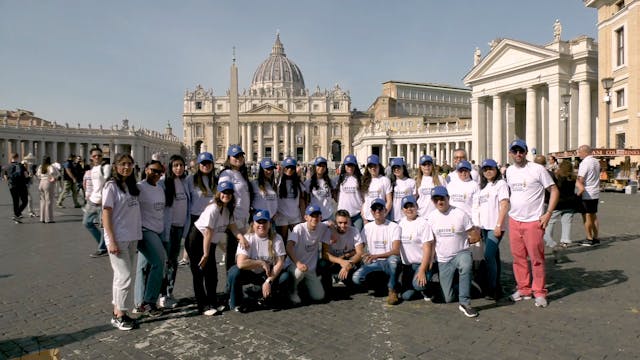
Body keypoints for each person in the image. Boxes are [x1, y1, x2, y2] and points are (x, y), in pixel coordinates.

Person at [505, 139, 558, 308]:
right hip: (514, 220)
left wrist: (548, 213)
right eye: (515, 151)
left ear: (526, 152)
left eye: (521, 151)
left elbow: (554, 190)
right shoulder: (509, 171)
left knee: (537, 259)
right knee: (518, 258)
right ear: (511, 153)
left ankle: (540, 291)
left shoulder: (538, 169)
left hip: (533, 221)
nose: (518, 154)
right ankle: (523, 288)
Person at [192, 181, 248, 315]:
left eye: (229, 192)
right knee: (200, 272)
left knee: (212, 274)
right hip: (197, 239)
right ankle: (203, 306)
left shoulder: (227, 209)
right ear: (219, 193)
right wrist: (206, 254)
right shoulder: (214, 209)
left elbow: (233, 226)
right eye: (224, 192)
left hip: (208, 242)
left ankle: (212, 302)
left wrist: (241, 237)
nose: (226, 195)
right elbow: (208, 232)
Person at [102, 153, 142, 331]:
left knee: (122, 276)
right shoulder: (111, 186)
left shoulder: (130, 186)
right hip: (118, 238)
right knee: (124, 277)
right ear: (116, 166)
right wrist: (111, 240)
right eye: (123, 164)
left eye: (129, 164)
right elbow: (106, 215)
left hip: (131, 236)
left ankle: (117, 311)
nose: (126, 167)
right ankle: (120, 315)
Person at [427, 186, 480, 318]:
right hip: (443, 259)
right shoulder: (431, 217)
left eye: (442, 198)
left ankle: (465, 303)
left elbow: (474, 234)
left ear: (448, 198)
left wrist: (468, 241)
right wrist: (430, 259)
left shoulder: (460, 214)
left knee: (466, 264)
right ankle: (465, 284)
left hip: (460, 253)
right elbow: (431, 241)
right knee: (448, 298)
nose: (440, 202)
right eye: (436, 199)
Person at [227, 210, 288, 312]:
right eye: (258, 222)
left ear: (269, 223)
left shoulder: (277, 238)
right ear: (253, 224)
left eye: (264, 222)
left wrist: (268, 281)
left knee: (285, 276)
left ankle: (271, 298)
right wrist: (261, 263)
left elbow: (280, 263)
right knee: (234, 272)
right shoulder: (248, 238)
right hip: (250, 273)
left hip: (267, 274)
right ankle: (235, 302)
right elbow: (241, 263)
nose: (261, 225)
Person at [132, 161, 167, 317]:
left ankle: (139, 303)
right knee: (159, 263)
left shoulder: (159, 188)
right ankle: (150, 301)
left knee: (142, 266)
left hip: (157, 230)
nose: (157, 174)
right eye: (153, 171)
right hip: (145, 231)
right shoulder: (139, 187)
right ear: (146, 170)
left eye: (160, 172)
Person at [352, 198, 402, 305]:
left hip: (388, 262)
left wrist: (376, 255)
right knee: (356, 278)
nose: (377, 211)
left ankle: (392, 290)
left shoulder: (394, 226)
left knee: (393, 260)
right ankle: (385, 284)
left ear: (385, 210)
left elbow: (396, 251)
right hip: (375, 263)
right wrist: (359, 256)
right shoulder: (367, 228)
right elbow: (360, 248)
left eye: (380, 208)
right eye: (374, 209)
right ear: (371, 212)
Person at [158, 155, 190, 309]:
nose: (179, 168)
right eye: (175, 165)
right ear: (170, 167)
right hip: (168, 228)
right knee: (166, 262)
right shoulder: (164, 183)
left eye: (181, 165)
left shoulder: (185, 182)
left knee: (173, 262)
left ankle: (169, 292)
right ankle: (162, 294)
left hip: (179, 227)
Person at [475, 159, 510, 300]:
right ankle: (497, 286)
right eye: (485, 169)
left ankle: (492, 288)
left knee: (489, 256)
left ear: (496, 170)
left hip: (494, 227)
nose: (488, 171)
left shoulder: (501, 184)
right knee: (494, 256)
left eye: (491, 168)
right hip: (484, 226)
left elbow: (504, 204)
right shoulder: (483, 187)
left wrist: (498, 225)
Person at [285, 204, 332, 304]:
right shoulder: (299, 228)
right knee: (299, 272)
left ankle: (303, 287)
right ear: (305, 217)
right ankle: (292, 291)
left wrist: (335, 232)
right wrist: (298, 263)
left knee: (319, 297)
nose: (314, 218)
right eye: (311, 216)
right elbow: (288, 247)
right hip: (296, 266)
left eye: (317, 215)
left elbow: (331, 223)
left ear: (320, 217)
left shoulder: (322, 226)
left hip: (310, 269)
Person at [219, 145, 253, 270]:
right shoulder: (226, 174)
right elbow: (224, 195)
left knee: (241, 252)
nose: (238, 158)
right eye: (235, 156)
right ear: (229, 158)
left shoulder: (241, 174)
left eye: (240, 156)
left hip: (243, 218)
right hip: (233, 218)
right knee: (233, 252)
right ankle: (230, 285)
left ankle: (236, 283)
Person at [318, 209, 365, 296]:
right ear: (335, 222)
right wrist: (341, 261)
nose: (343, 225)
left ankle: (346, 280)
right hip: (333, 262)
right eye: (340, 223)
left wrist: (348, 264)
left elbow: (359, 253)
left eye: (345, 222)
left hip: (348, 261)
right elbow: (325, 254)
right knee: (322, 263)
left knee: (356, 287)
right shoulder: (328, 232)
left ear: (350, 222)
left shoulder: (354, 231)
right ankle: (327, 286)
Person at [397, 195, 434, 301]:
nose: (409, 209)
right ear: (402, 210)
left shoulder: (423, 223)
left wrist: (422, 270)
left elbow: (428, 248)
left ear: (416, 206)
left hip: (421, 263)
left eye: (411, 206)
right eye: (406, 207)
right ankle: (417, 288)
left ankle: (428, 287)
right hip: (407, 266)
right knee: (406, 296)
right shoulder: (400, 223)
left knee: (419, 285)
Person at [544, 160, 579, 250]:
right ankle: (565, 241)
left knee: (551, 221)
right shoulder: (573, 178)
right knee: (566, 222)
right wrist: (575, 196)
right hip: (570, 203)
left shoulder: (557, 177)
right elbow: (581, 188)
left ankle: (549, 240)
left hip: (558, 203)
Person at [84, 148, 111, 258]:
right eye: (95, 156)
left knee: (103, 226)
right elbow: (93, 184)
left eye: (99, 156)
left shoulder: (106, 167)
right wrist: (88, 195)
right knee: (87, 223)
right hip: (92, 200)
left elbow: (107, 181)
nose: (97, 157)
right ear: (91, 157)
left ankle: (102, 248)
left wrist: (104, 198)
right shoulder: (93, 169)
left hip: (102, 201)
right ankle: (104, 243)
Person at [274, 157, 305, 244]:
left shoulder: (298, 183)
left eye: (292, 167)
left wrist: (303, 216)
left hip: (295, 216)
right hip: (282, 216)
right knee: (282, 242)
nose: (289, 169)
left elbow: (302, 201)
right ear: (283, 168)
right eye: (287, 167)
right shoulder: (278, 181)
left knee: (298, 241)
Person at [576, 145, 601, 247]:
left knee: (586, 216)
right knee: (593, 215)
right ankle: (595, 237)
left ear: (585, 152)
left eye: (580, 152)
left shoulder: (584, 163)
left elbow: (581, 179)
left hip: (587, 193)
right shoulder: (596, 161)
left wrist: (577, 187)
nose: (579, 154)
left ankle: (589, 238)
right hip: (595, 191)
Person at [335, 154, 364, 231]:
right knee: (343, 239)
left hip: (357, 214)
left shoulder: (360, 179)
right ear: (344, 166)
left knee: (357, 237)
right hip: (343, 215)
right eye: (348, 165)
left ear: (355, 166)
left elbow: (363, 196)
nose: (350, 167)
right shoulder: (339, 179)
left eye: (352, 165)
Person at [360, 155, 392, 224]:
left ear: (379, 166)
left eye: (375, 166)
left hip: (380, 216)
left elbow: (389, 201)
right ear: (367, 168)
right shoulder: (364, 181)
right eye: (370, 166)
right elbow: (363, 201)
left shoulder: (385, 180)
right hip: (367, 218)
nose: (373, 168)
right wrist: (363, 216)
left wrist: (383, 215)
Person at [305, 157, 335, 221]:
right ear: (315, 167)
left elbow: (334, 195)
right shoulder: (308, 183)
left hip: (328, 215)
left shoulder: (331, 182)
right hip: (314, 215)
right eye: (319, 165)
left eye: (323, 166)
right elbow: (306, 200)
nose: (321, 168)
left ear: (326, 168)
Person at [415, 155, 446, 219]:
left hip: (437, 215)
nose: (427, 167)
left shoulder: (440, 179)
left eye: (429, 164)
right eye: (424, 164)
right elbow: (415, 198)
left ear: (432, 166)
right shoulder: (417, 180)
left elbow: (446, 196)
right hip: (421, 215)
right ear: (420, 166)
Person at [389, 158, 416, 222]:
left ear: (403, 168)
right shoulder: (390, 183)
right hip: (394, 216)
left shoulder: (411, 182)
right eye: (394, 168)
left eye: (398, 167)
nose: (396, 169)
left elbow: (415, 199)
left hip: (408, 216)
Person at [35, 156, 59, 224]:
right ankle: (48, 219)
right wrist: (54, 178)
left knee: (42, 201)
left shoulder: (40, 166)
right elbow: (55, 174)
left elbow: (38, 175)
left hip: (41, 183)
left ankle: (42, 218)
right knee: (49, 201)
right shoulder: (50, 166)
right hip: (48, 183)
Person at [7, 153, 29, 223]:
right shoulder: (21, 166)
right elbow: (26, 176)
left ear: (11, 158)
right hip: (21, 186)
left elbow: (6, 177)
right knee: (25, 201)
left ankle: (17, 216)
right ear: (17, 157)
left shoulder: (8, 166)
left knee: (15, 202)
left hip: (12, 186)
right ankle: (17, 214)